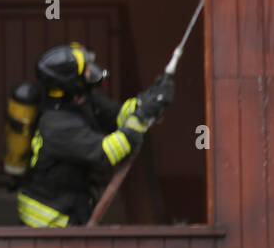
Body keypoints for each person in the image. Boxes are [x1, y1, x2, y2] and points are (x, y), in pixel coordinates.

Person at [16, 42, 173, 228]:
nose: (93, 72)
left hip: (69, 207)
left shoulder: (81, 100)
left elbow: (119, 114)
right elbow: (106, 152)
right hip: (49, 222)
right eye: (87, 69)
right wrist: (139, 121)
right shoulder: (57, 125)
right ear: (71, 81)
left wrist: (148, 101)